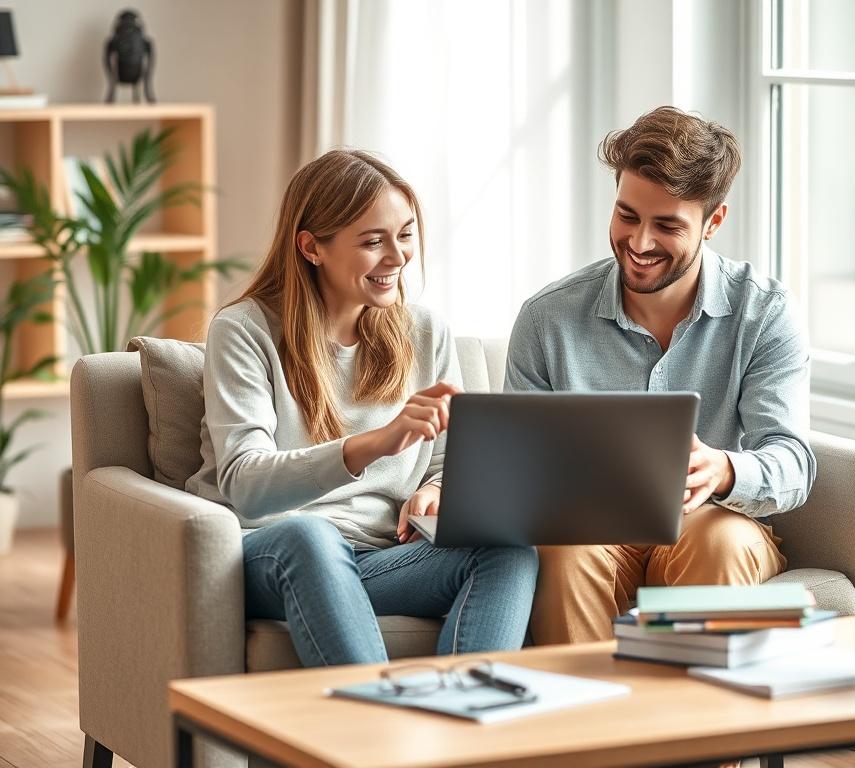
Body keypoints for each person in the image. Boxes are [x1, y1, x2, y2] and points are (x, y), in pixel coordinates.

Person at [186, 149, 538, 666]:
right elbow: (245, 484)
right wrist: (375, 443)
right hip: (269, 551)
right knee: (311, 536)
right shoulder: (244, 331)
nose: (397, 257)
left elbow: (445, 460)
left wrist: (436, 490)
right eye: (373, 242)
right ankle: (375, 736)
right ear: (311, 248)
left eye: (406, 233)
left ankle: (466, 726)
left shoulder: (424, 331)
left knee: (507, 549)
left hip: (378, 559)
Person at [505, 106, 816, 645]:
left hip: (709, 522)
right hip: (589, 532)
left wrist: (722, 470)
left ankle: (698, 726)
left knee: (721, 543)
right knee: (562, 551)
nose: (640, 243)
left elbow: (792, 462)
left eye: (667, 225)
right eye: (627, 215)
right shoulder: (547, 318)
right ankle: (592, 725)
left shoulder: (763, 312)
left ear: (713, 222)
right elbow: (515, 470)